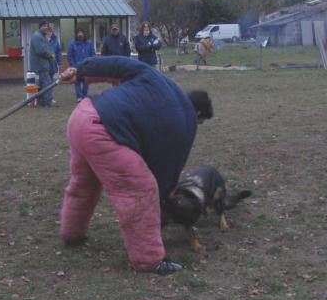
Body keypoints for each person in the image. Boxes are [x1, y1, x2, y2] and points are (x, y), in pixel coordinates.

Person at [58, 56, 213, 274]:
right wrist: (162, 197)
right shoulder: (186, 120)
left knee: (84, 184)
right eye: (201, 121)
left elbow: (120, 65)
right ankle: (149, 259)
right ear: (197, 113)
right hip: (102, 129)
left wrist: (80, 71)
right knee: (141, 189)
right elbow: (168, 165)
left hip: (82, 116)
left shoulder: (160, 81)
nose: (197, 124)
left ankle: (71, 233)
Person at [30, 20, 56, 107]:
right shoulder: (37, 36)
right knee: (47, 84)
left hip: (41, 65)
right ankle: (48, 102)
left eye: (47, 26)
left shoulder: (41, 36)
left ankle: (42, 102)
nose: (46, 28)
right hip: (41, 65)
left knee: (41, 85)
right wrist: (51, 55)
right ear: (40, 27)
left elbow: (46, 47)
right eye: (44, 26)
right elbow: (41, 51)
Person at [67, 28, 95, 102]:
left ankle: (84, 96)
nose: (80, 34)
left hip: (87, 66)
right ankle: (79, 97)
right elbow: (70, 56)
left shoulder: (89, 43)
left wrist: (91, 63)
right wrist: (73, 65)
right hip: (76, 66)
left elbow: (93, 54)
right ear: (76, 34)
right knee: (77, 82)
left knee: (86, 81)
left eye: (81, 33)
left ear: (84, 34)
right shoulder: (72, 44)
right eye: (78, 33)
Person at [46, 26, 62, 105]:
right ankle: (46, 98)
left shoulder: (55, 40)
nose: (49, 33)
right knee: (46, 82)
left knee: (51, 82)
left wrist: (59, 62)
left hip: (52, 65)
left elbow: (58, 51)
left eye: (50, 31)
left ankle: (50, 98)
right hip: (45, 65)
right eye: (47, 32)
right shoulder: (42, 40)